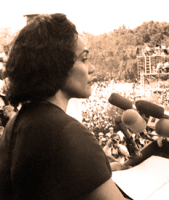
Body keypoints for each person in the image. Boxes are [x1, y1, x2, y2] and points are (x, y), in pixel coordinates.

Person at [0, 13, 126, 199]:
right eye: (84, 59)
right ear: (57, 65)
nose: (92, 68)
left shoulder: (16, 124)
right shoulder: (67, 132)